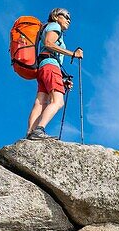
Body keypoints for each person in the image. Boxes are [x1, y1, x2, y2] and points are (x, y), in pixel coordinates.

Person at [26, 8, 83, 139]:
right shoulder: (55, 26)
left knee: (41, 101)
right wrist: (73, 54)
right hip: (50, 67)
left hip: (43, 67)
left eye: (70, 18)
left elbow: (47, 50)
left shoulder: (47, 27)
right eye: (66, 16)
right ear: (56, 16)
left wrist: (62, 80)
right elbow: (48, 44)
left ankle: (30, 132)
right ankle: (39, 130)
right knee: (58, 101)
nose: (69, 19)